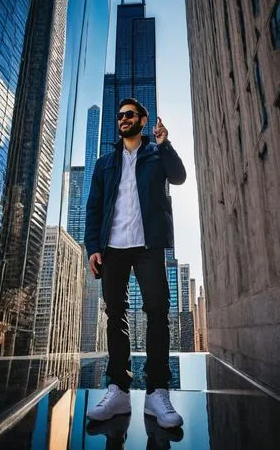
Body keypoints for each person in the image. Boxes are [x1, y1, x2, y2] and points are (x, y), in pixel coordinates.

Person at [85, 98, 186, 429]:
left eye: (130, 115)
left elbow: (179, 176)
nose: (123, 119)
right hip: (112, 248)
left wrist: (165, 144)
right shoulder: (104, 163)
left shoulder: (156, 155)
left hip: (148, 246)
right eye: (120, 116)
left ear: (143, 120)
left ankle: (157, 392)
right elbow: (94, 208)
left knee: (157, 314)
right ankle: (119, 390)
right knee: (116, 317)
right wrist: (93, 248)